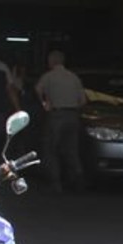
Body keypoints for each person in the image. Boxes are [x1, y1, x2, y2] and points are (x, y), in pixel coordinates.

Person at [34, 50, 87, 193]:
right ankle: (77, 178)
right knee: (71, 150)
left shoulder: (48, 77)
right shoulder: (74, 77)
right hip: (73, 115)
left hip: (56, 115)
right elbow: (82, 100)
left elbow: (37, 90)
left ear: (51, 61)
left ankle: (55, 184)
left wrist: (45, 103)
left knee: (51, 150)